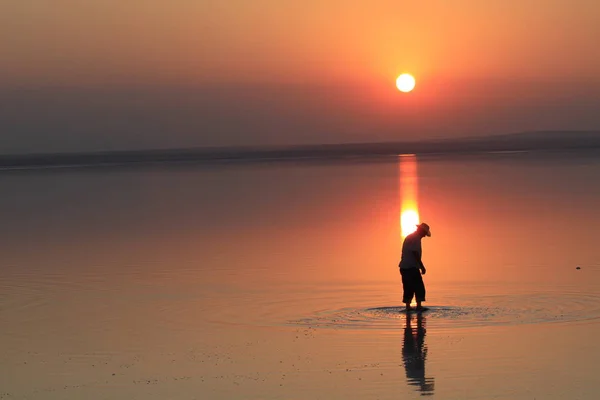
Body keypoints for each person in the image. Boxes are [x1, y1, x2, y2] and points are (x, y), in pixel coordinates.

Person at [399, 222, 431, 311]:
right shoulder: (415, 238)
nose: (424, 236)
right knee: (419, 286)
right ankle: (418, 307)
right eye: (424, 233)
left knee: (408, 287)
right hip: (411, 267)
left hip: (405, 267)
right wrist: (422, 266)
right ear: (421, 231)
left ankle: (408, 307)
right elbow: (415, 253)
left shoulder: (411, 237)